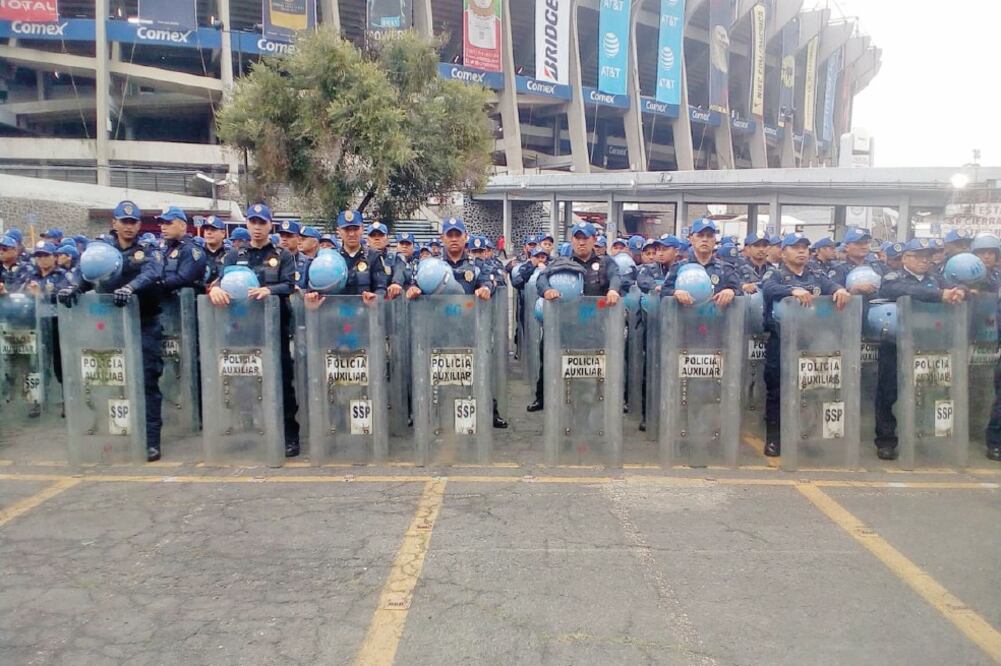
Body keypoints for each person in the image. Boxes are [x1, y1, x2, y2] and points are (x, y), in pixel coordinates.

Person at [58, 200, 166, 462]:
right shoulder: (100, 249)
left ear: (139, 225)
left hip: (144, 322)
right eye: (123, 221)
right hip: (110, 325)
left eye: (133, 222)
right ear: (114, 223)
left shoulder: (147, 250)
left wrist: (130, 289)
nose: (128, 226)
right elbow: (86, 274)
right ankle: (114, 434)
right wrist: (74, 288)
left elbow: (153, 272)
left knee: (146, 381)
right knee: (110, 380)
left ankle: (151, 441)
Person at [207, 203, 301, 457]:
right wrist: (213, 289)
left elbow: (290, 284)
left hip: (274, 329)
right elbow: (216, 282)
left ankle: (290, 436)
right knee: (243, 382)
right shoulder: (233, 255)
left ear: (271, 225)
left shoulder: (282, 255)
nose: (257, 227)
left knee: (281, 381)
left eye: (262, 222)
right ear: (246, 224)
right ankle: (246, 431)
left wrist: (269, 290)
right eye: (253, 222)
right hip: (240, 329)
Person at [405, 218, 506, 428]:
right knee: (435, 373)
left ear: (465, 238)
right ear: (442, 238)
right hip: (437, 329)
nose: (453, 239)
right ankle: (426, 413)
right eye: (449, 235)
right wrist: (413, 289)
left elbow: (488, 281)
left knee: (477, 372)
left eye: (457, 235)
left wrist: (486, 289)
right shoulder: (430, 266)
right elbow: (415, 283)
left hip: (466, 329)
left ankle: (489, 411)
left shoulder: (476, 266)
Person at [874, 238, 967, 460]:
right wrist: (938, 295)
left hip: (928, 344)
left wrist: (960, 292)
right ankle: (886, 441)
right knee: (888, 392)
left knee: (927, 392)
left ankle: (921, 437)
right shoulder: (893, 276)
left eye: (929, 256)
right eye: (920, 256)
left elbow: (958, 286)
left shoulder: (935, 278)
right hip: (895, 344)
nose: (926, 260)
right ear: (906, 258)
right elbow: (898, 290)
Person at [761, 234, 852, 457]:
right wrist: (792, 290)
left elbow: (831, 285)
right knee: (778, 390)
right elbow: (769, 288)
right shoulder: (776, 273)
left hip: (810, 341)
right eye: (795, 248)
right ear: (783, 253)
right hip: (780, 340)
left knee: (810, 391)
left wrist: (839, 290)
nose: (801, 251)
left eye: (804, 248)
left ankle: (807, 436)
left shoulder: (815, 274)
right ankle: (775, 439)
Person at [529, 222, 621, 412]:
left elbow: (616, 277)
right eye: (577, 239)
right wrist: (547, 290)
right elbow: (541, 278)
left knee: (590, 367)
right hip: (564, 324)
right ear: (572, 241)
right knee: (548, 358)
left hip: (592, 326)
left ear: (593, 240)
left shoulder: (605, 263)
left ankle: (595, 404)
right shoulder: (562, 262)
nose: (581, 243)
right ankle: (543, 397)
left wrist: (613, 290)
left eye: (585, 238)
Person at [660, 218, 740, 307]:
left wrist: (731, 291)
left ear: (714, 241)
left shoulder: (725, 269)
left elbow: (740, 292)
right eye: (700, 235)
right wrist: (675, 292)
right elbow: (664, 292)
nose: (705, 239)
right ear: (691, 239)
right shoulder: (678, 267)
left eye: (709, 236)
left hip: (716, 319)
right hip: (685, 318)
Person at [158, 207, 207, 296]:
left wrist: (156, 284)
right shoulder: (169, 248)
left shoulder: (191, 249)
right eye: (162, 223)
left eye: (168, 223)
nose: (163, 227)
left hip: (185, 305)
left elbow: (184, 278)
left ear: (183, 226)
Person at [201, 216, 228, 285]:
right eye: (206, 230)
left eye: (213, 229)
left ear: (223, 233)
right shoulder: (198, 253)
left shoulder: (229, 254)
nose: (209, 233)